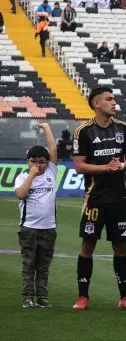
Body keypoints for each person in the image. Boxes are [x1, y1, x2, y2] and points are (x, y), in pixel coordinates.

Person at [72, 87, 126, 311]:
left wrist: (120, 165)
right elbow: (79, 166)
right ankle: (83, 296)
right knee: (87, 245)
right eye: (109, 99)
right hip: (94, 199)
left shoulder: (124, 129)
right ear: (97, 104)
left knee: (121, 247)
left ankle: (125, 297)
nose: (114, 103)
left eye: (114, 99)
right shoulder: (83, 131)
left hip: (119, 198)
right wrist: (105, 168)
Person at [15, 123, 58, 308]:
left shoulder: (51, 172)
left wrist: (46, 127)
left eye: (42, 161)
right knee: (28, 266)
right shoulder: (22, 177)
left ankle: (42, 296)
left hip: (49, 228)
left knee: (43, 266)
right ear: (28, 162)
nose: (38, 165)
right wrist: (31, 175)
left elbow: (53, 148)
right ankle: (27, 297)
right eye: (34, 161)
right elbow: (21, 194)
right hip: (29, 229)